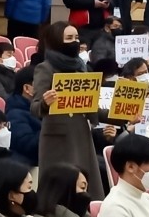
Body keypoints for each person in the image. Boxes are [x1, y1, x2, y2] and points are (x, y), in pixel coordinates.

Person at [31, 21, 104, 199]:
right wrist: (45, 102)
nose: (75, 42)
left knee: (86, 186)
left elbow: (91, 106)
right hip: (57, 139)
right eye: (69, 38)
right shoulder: (45, 68)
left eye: (76, 37)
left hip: (81, 133)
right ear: (57, 41)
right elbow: (35, 107)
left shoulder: (82, 68)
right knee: (61, 189)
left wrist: (122, 116)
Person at [6, 66, 41, 166]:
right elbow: (27, 146)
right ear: (27, 88)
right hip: (31, 167)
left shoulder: (43, 109)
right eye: (43, 84)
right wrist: (52, 125)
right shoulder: (15, 114)